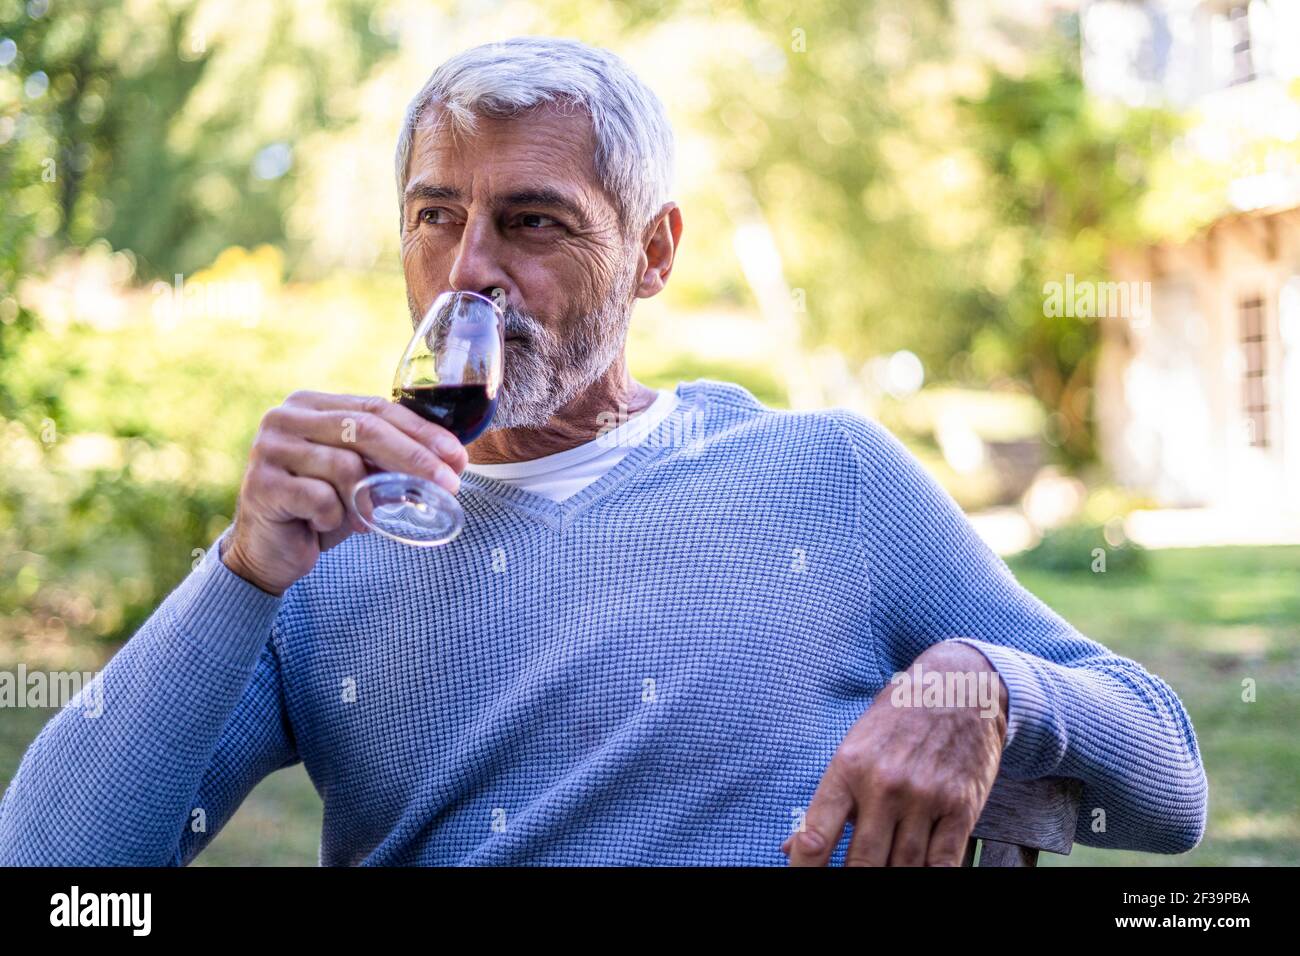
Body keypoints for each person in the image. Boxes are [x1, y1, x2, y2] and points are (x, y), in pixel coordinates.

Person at [0, 36, 1206, 867]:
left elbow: (1170, 779)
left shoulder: (826, 478)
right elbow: (54, 866)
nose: (469, 268)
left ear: (653, 253)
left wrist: (988, 683)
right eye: (435, 216)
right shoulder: (321, 541)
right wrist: (242, 569)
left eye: (532, 221)